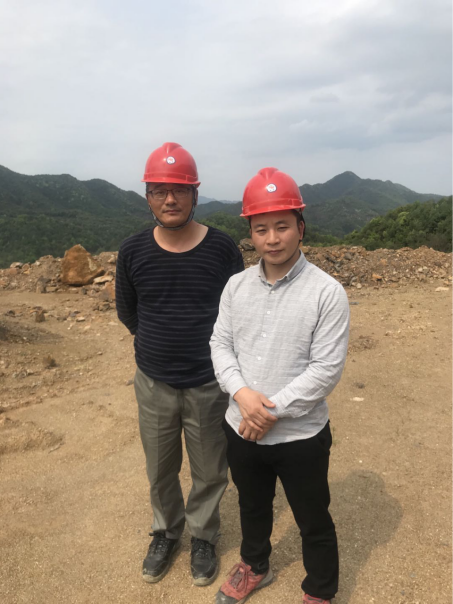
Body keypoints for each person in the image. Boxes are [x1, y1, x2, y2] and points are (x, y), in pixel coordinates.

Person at [210, 167, 350, 604]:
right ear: (251, 233)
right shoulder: (235, 287)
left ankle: (320, 590)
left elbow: (325, 369)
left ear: (301, 228)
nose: (272, 239)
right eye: (261, 228)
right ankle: (255, 566)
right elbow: (220, 344)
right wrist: (242, 395)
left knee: (312, 516)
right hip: (241, 427)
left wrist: (266, 411)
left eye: (282, 226)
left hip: (299, 435)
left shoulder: (327, 292)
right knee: (251, 506)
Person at [115, 142, 244, 586]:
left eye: (179, 190)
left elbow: (236, 314)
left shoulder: (222, 249)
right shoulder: (133, 250)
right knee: (159, 467)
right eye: (159, 191)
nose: (169, 199)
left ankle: (203, 535)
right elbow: (128, 311)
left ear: (194, 194)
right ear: (148, 197)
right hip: (153, 382)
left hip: (209, 383)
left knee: (209, 470)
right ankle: (166, 532)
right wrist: (159, 344)